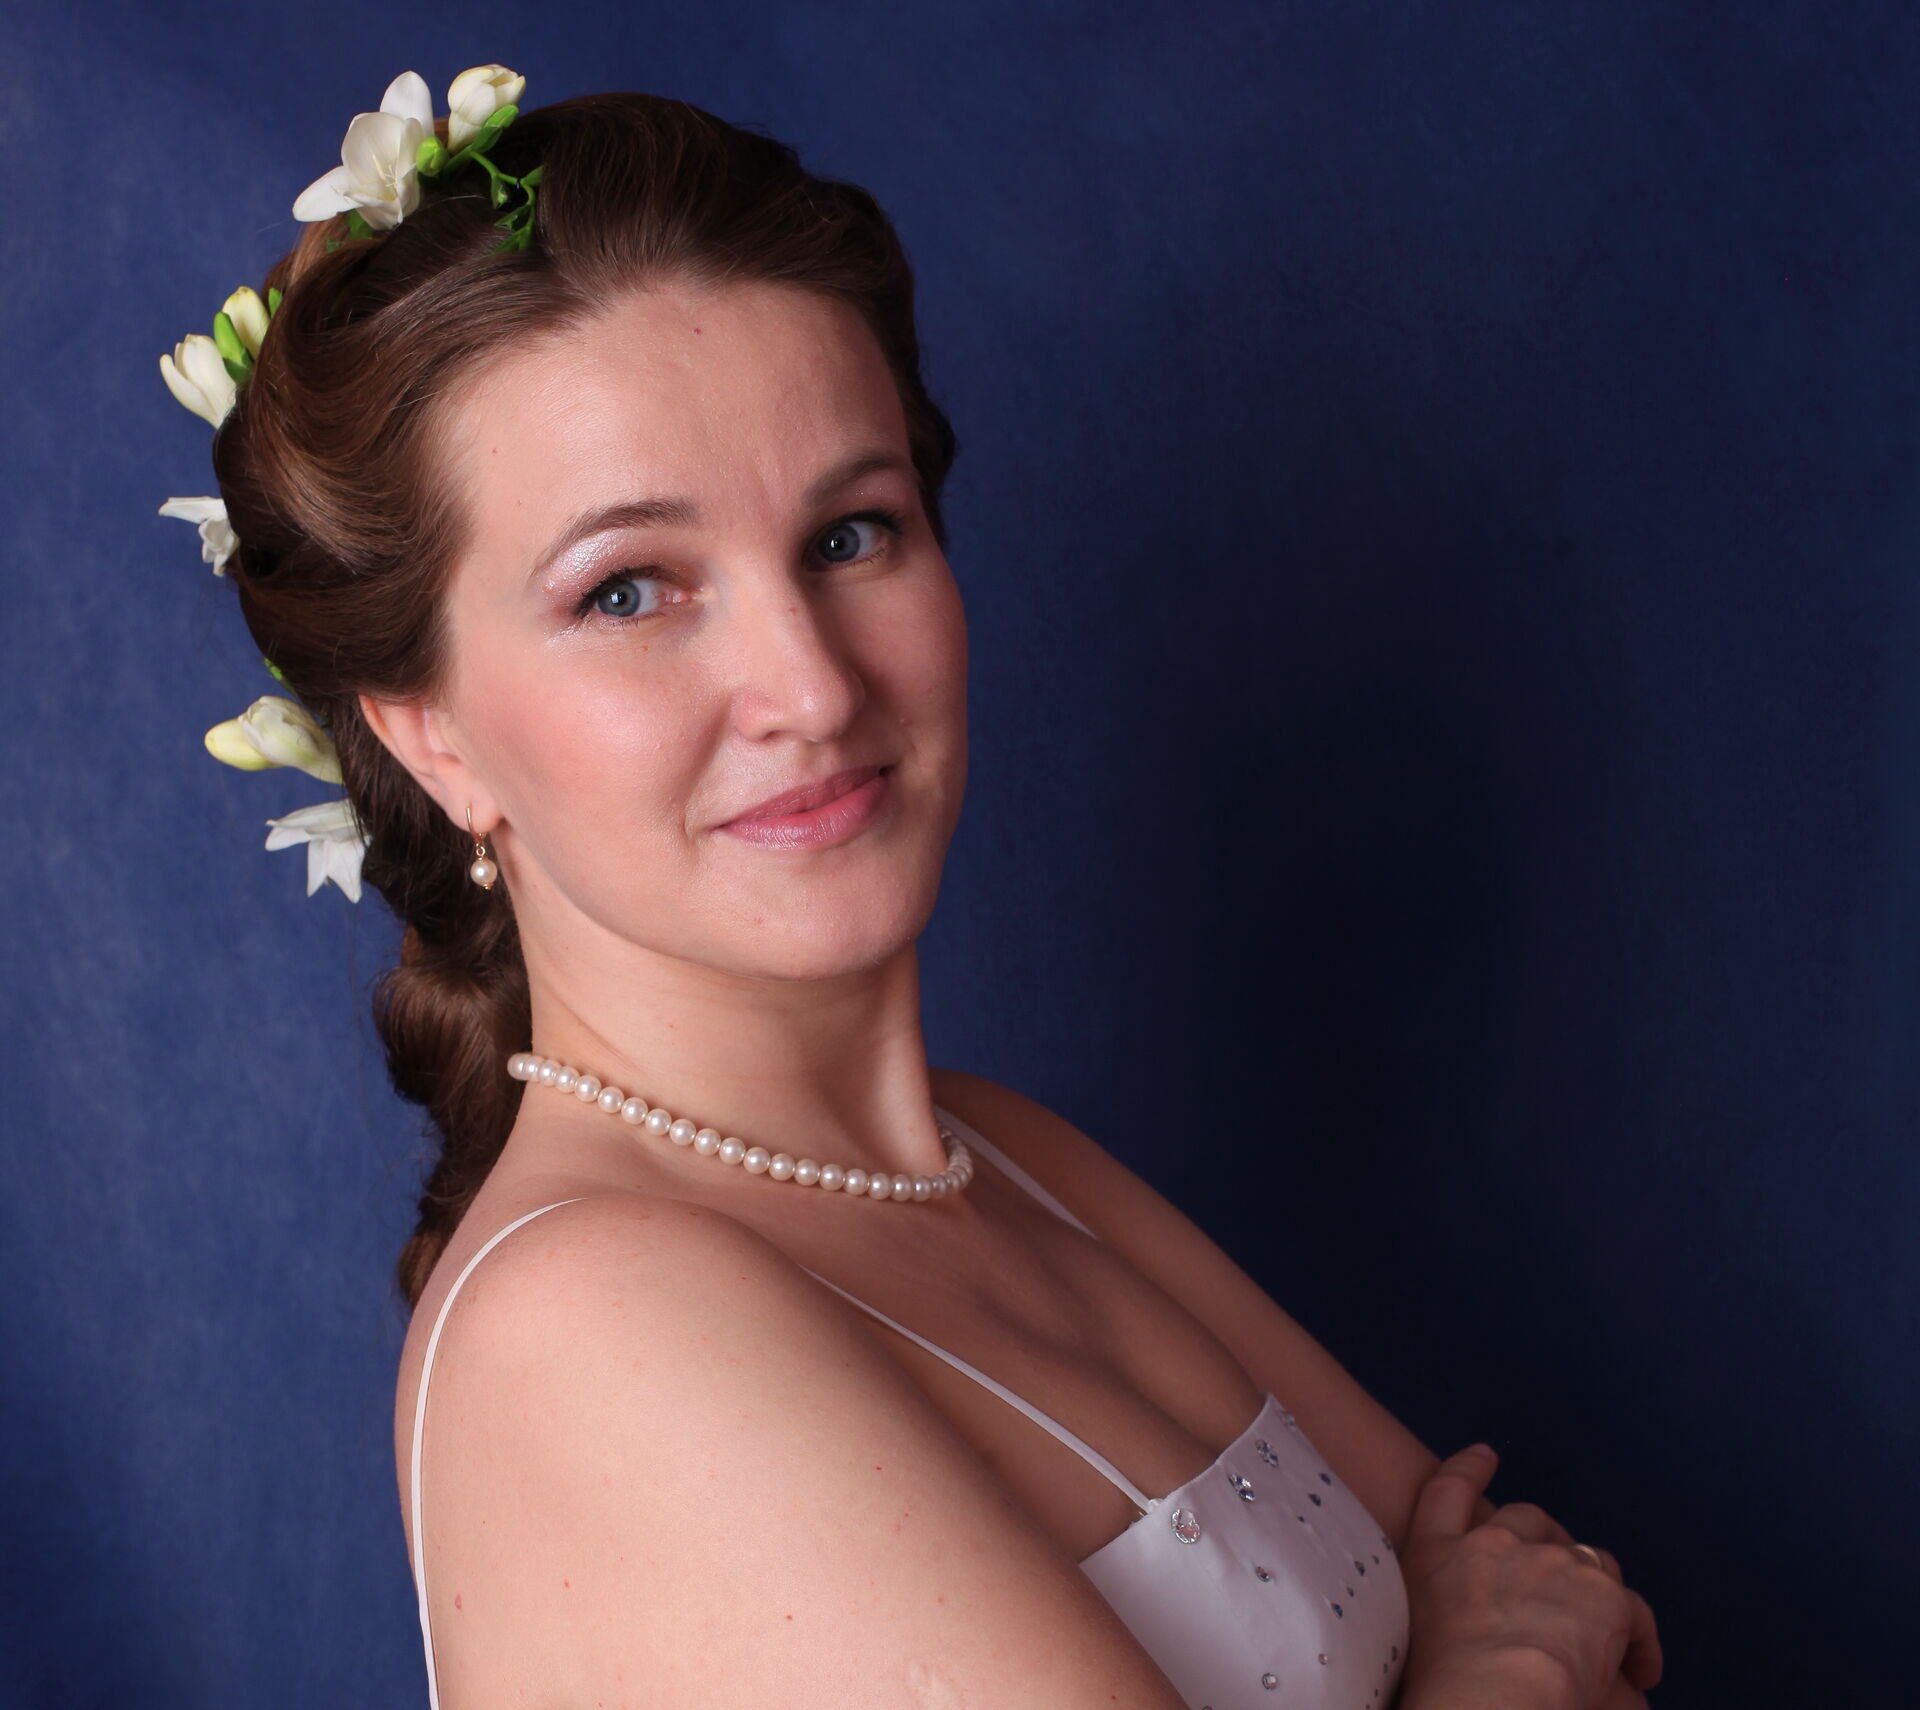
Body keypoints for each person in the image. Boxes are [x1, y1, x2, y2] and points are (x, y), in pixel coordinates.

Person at [167, 69, 1663, 1710]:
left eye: (851, 535)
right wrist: (1496, 1663)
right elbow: (1531, 1623)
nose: (810, 685)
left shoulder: (1012, 1160)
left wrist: (1505, 1644)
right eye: (629, 590)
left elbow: (1559, 1603)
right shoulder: (584, 1319)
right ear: (429, 733)